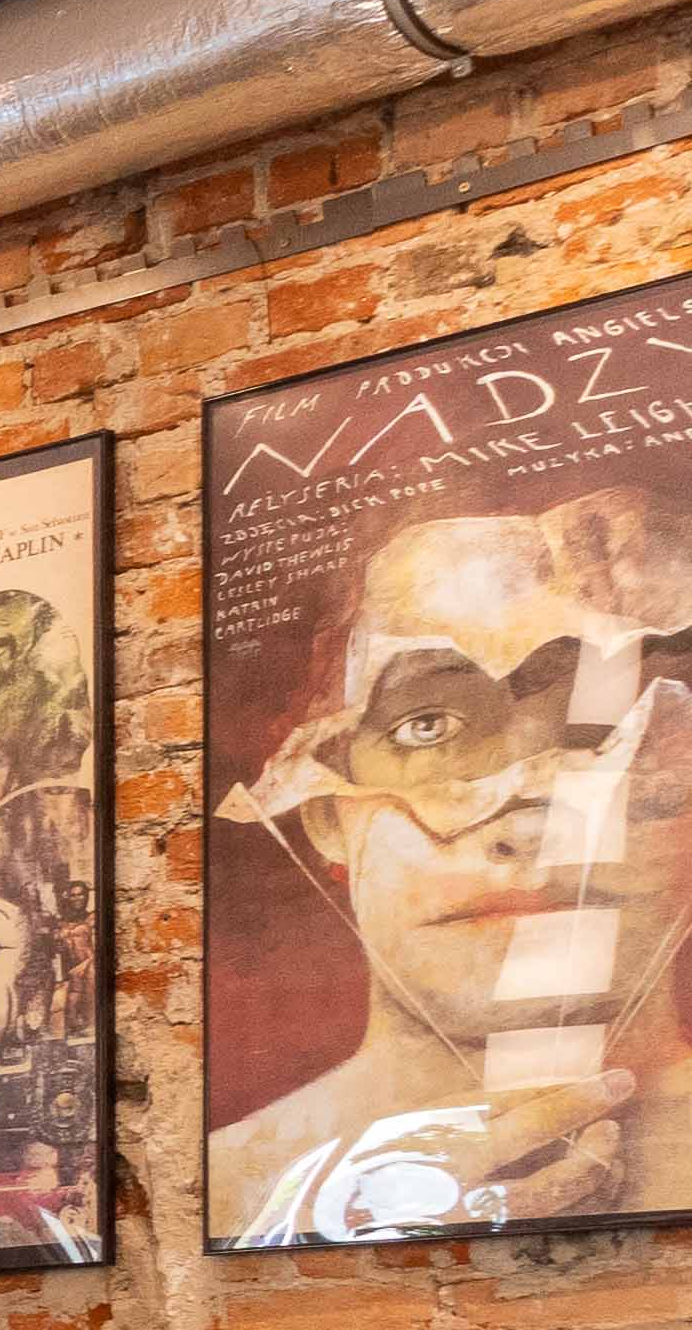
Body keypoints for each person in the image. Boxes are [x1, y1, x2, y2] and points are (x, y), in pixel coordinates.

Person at [215, 488, 692, 1241]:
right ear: (324, 816)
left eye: (615, 729)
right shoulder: (226, 1197)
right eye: (426, 727)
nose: (528, 827)